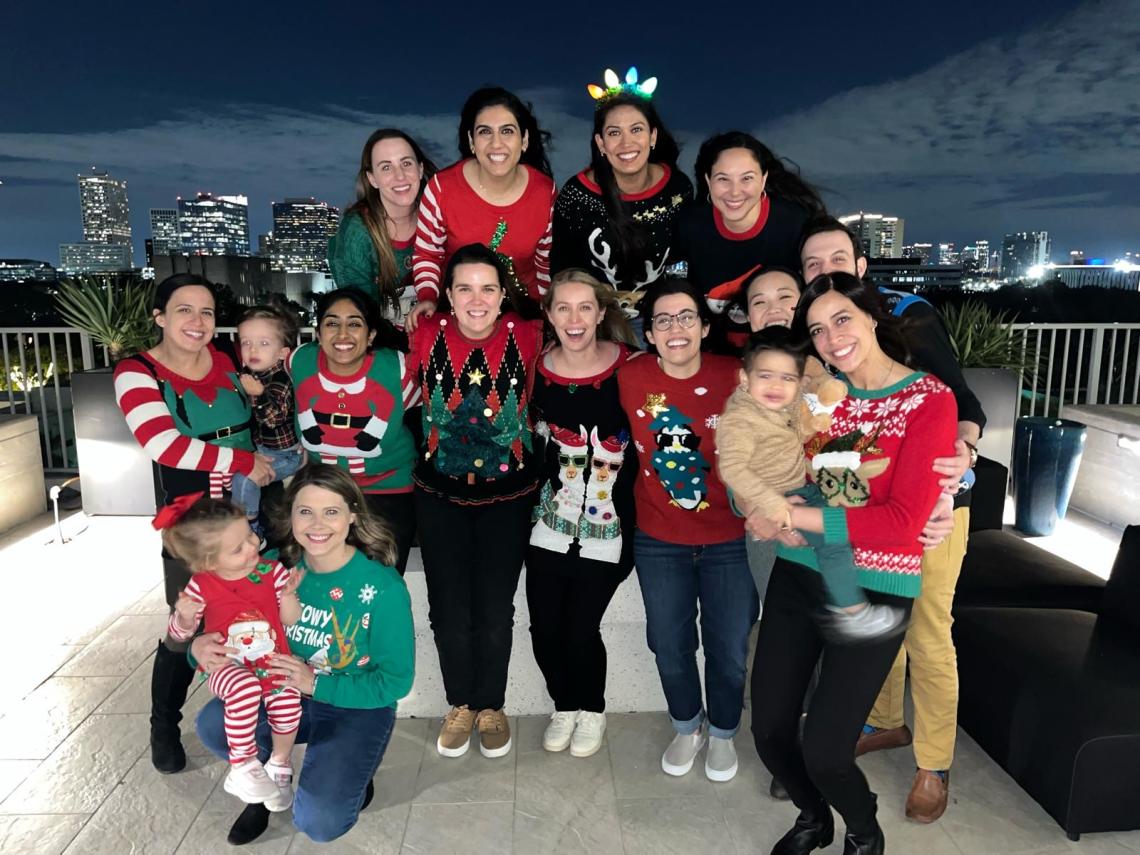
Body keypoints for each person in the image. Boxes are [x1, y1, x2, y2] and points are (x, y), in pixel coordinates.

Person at [750, 271, 956, 855]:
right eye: (817, 329)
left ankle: (862, 827)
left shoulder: (927, 401)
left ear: (871, 315)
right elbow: (834, 491)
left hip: (878, 587)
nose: (831, 336)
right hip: (800, 575)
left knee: (827, 748)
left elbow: (898, 523)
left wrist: (790, 518)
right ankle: (813, 816)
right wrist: (787, 502)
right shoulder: (827, 400)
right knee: (768, 729)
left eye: (842, 318)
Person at [799, 215, 985, 823]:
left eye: (835, 260)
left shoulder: (908, 316)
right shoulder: (822, 350)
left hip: (932, 510)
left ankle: (934, 763)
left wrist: (954, 474)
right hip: (870, 513)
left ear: (860, 268)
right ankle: (884, 722)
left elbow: (960, 402)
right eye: (811, 265)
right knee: (878, 619)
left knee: (928, 633)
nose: (824, 272)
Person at [193, 463, 414, 845]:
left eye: (331, 511)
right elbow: (221, 625)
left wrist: (315, 682)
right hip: (281, 694)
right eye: (305, 511)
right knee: (212, 724)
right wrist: (197, 647)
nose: (317, 524)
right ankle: (262, 789)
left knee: (320, 822)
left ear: (352, 517)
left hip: (355, 703)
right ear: (290, 514)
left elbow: (395, 681)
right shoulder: (270, 568)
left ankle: (354, 770)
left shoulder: (381, 588)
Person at [114, 273, 275, 774]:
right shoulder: (136, 371)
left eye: (206, 311)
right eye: (184, 310)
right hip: (195, 524)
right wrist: (243, 462)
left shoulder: (227, 358)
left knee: (257, 620)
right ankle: (163, 726)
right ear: (159, 316)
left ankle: (260, 721)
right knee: (185, 628)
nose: (198, 321)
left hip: (250, 515)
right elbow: (164, 444)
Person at [617, 278, 757, 783]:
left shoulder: (738, 375)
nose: (675, 329)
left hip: (731, 537)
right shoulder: (629, 377)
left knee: (728, 645)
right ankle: (686, 726)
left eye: (685, 318)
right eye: (662, 320)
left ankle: (722, 732)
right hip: (659, 539)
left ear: (703, 325)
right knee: (669, 642)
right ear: (649, 333)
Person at [407, 243, 544, 760]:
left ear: (503, 292)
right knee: (446, 607)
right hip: (438, 495)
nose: (477, 298)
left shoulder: (529, 333)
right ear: (448, 294)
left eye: (488, 287)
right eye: (464, 288)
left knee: (494, 607)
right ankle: (459, 701)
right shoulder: (424, 332)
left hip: (508, 497)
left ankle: (491, 704)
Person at [717, 327, 908, 641]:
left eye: (788, 378)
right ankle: (851, 611)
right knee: (833, 541)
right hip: (782, 499)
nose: (777, 385)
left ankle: (845, 605)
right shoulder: (740, 419)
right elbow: (734, 469)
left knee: (840, 534)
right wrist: (776, 509)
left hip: (800, 492)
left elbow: (801, 423)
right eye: (766, 376)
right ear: (743, 378)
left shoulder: (777, 403)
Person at [528, 269, 638, 758]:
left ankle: (590, 708)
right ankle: (564, 705)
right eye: (563, 308)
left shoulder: (632, 367)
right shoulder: (537, 370)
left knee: (579, 627)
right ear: (550, 315)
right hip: (549, 524)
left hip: (608, 528)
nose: (574, 318)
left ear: (600, 313)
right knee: (544, 627)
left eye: (584, 307)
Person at [158, 495, 302, 807]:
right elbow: (179, 635)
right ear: (210, 563)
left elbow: (290, 619)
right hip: (226, 667)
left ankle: (279, 765)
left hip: (271, 659)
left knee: (289, 701)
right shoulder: (200, 585)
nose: (253, 546)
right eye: (238, 548)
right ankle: (243, 765)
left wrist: (289, 596)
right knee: (245, 688)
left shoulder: (272, 571)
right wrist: (183, 616)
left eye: (250, 534)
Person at [550, 70, 692, 335]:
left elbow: (681, 260)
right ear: (601, 143)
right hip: (595, 323)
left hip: (660, 319)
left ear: (652, 136)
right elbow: (562, 269)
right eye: (614, 133)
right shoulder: (576, 195)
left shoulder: (678, 188)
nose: (626, 143)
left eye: (636, 129)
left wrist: (673, 306)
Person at [290, 288, 418, 574]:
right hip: (325, 492)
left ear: (370, 334)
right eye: (332, 323)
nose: (343, 334)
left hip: (388, 492)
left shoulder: (396, 369)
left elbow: (424, 402)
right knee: (325, 581)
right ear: (319, 332)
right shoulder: (299, 362)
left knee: (381, 583)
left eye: (355, 323)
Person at [407, 87, 556, 329]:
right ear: (471, 142)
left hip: (522, 312)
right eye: (485, 132)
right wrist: (428, 298)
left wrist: (546, 314)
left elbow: (544, 262)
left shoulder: (544, 192)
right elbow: (428, 254)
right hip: (459, 312)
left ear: (524, 140)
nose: (496, 143)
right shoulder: (442, 188)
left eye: (507, 131)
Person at [676, 131, 825, 348]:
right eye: (723, 179)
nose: (735, 192)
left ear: (763, 178)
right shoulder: (691, 226)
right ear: (708, 180)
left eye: (747, 178)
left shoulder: (795, 224)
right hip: (714, 349)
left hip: (784, 348)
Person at [328, 128, 439, 326]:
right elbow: (359, 310)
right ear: (372, 179)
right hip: (381, 340)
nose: (400, 176)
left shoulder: (438, 213)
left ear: (420, 169)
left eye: (406, 163)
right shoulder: (357, 230)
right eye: (386, 167)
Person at [229, 305, 305, 537]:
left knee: (244, 479)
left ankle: (250, 529)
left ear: (282, 353)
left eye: (263, 343)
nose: (252, 349)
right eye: (246, 342)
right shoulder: (248, 373)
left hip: (286, 455)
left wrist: (258, 394)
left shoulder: (280, 379)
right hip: (261, 448)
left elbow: (275, 419)